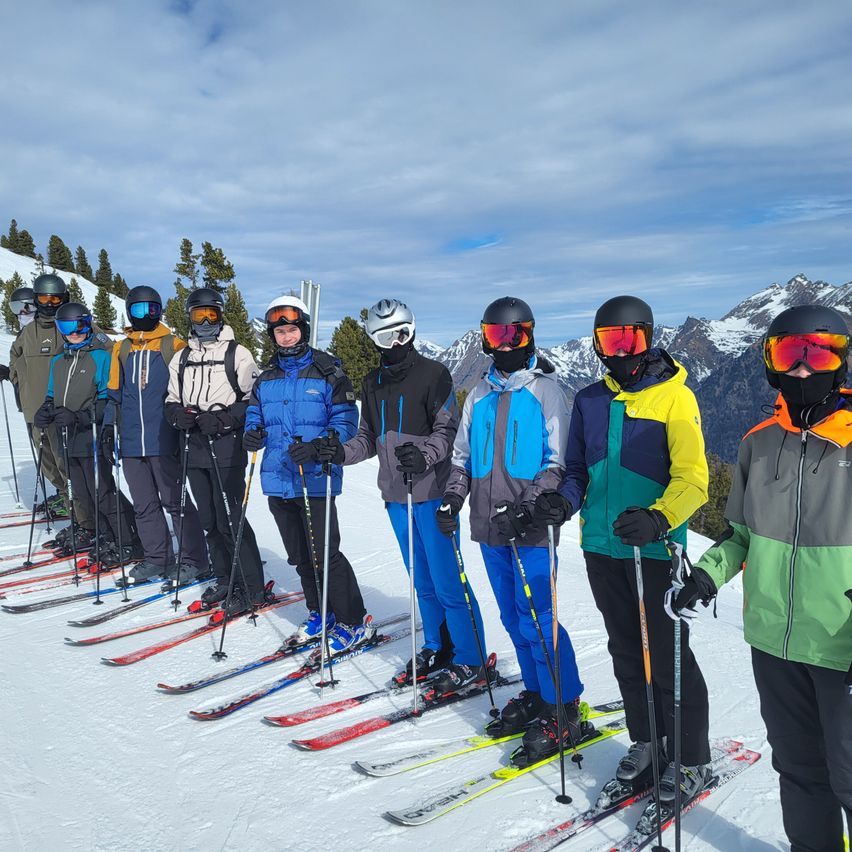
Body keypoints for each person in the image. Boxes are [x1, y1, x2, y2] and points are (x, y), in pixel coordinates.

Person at [676, 304, 852, 852]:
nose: (802, 368)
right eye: (788, 354)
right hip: (773, 640)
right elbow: (741, 535)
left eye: (817, 352)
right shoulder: (758, 442)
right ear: (770, 363)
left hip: (842, 643)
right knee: (799, 769)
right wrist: (706, 576)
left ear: (841, 360)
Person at [533, 295, 711, 802]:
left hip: (654, 551)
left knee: (670, 657)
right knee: (626, 651)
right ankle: (648, 741)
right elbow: (577, 473)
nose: (620, 350)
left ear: (649, 338)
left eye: (629, 339)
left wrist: (659, 518)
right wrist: (562, 505)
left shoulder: (677, 398)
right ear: (597, 346)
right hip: (601, 547)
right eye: (609, 341)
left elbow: (694, 480)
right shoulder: (589, 399)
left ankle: (692, 757)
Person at [438, 296, 586, 764]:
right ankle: (539, 695)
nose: (504, 345)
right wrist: (452, 497)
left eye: (514, 335)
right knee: (511, 619)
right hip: (487, 528)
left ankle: (565, 706)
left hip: (531, 530)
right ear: (485, 338)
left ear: (529, 336)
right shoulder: (478, 395)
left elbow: (556, 463)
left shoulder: (547, 391)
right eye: (495, 335)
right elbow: (461, 457)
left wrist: (527, 510)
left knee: (538, 618)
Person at [328, 298, 486, 689]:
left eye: (401, 333)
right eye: (384, 336)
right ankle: (436, 644)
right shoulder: (372, 382)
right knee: (422, 581)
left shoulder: (435, 374)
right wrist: (338, 453)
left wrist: (426, 455)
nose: (395, 343)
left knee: (450, 581)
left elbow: (448, 431)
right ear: (374, 340)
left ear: (412, 330)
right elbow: (366, 439)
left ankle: (470, 655)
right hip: (397, 497)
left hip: (432, 493)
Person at [244, 295, 368, 653]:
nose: (286, 337)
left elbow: (346, 420)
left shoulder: (328, 370)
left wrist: (319, 446)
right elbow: (255, 414)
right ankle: (320, 611)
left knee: (325, 554)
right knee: (299, 555)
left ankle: (351, 619)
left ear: (304, 330)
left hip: (315, 476)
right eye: (279, 331)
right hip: (278, 477)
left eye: (291, 329)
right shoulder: (266, 376)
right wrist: (252, 432)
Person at [164, 287, 265, 614]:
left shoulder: (239, 353)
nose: (206, 321)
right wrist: (177, 414)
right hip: (193, 447)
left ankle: (251, 587)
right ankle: (224, 578)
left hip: (225, 448)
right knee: (209, 519)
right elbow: (170, 398)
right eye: (199, 315)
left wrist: (223, 420)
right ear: (190, 318)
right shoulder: (182, 357)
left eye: (212, 314)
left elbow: (253, 399)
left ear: (221, 315)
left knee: (231, 520)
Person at [104, 285, 209, 587]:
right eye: (139, 310)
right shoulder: (121, 348)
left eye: (152, 309)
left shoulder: (172, 346)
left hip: (165, 438)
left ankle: (194, 560)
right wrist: (111, 430)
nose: (146, 315)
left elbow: (186, 391)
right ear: (129, 312)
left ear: (160, 311)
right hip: (132, 441)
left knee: (175, 501)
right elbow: (114, 394)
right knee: (144, 503)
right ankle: (157, 557)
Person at [32, 303, 139, 565]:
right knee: (81, 492)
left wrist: (79, 416)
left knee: (102, 491)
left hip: (91, 434)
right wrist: (45, 411)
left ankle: (128, 540)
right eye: (65, 328)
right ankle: (105, 535)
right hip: (66, 435)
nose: (73, 333)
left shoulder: (101, 357)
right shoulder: (59, 361)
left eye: (78, 326)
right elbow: (50, 394)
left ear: (88, 324)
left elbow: (107, 400)